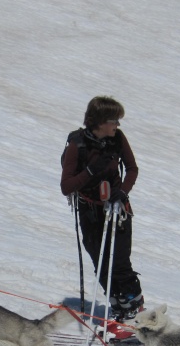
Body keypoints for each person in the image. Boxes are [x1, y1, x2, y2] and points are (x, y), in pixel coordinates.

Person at [60, 96, 143, 329]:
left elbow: (133, 169)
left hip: (117, 209)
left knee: (120, 263)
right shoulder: (77, 145)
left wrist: (123, 192)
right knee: (102, 263)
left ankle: (135, 315)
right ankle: (121, 311)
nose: (117, 125)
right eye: (113, 120)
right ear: (98, 121)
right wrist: (90, 170)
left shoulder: (117, 139)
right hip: (89, 212)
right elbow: (66, 186)